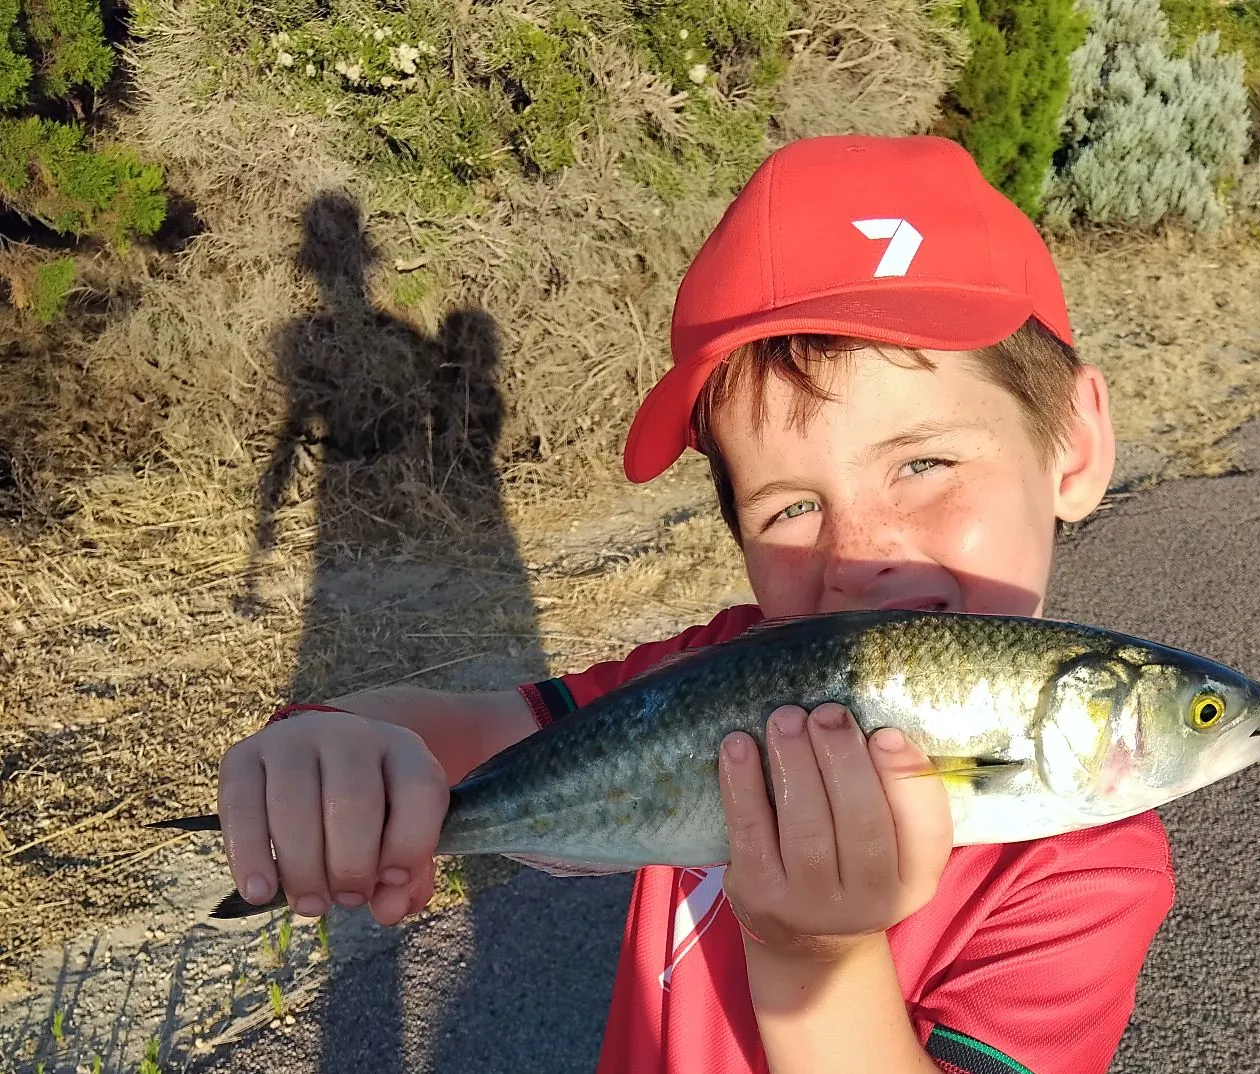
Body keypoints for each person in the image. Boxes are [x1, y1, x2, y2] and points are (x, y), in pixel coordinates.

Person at [214, 134, 1176, 1074]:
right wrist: (337, 737)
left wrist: (819, 958)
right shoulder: (727, 667)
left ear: (1075, 445)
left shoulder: (1083, 871)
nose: (860, 557)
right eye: (792, 506)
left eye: (924, 464)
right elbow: (482, 733)